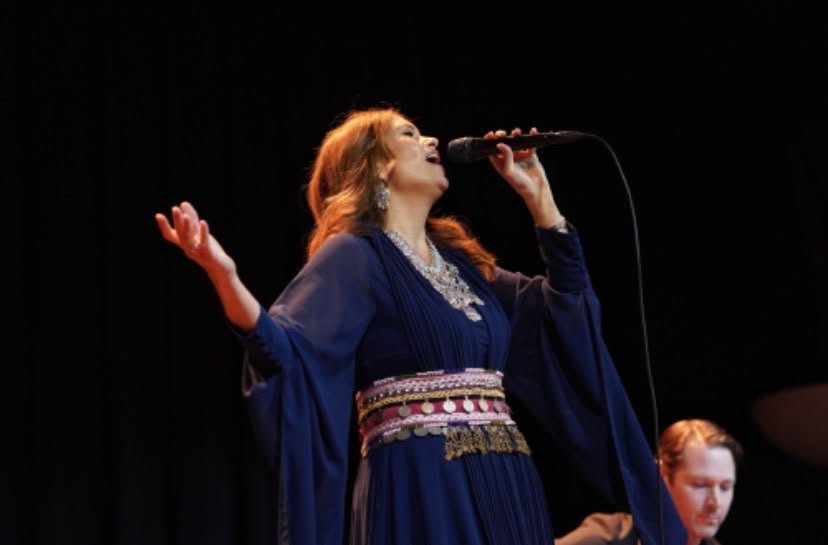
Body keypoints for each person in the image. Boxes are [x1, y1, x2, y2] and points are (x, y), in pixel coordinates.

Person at [155, 107, 685, 545]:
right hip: (421, 481)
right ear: (375, 168)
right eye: (408, 134)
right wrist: (225, 276)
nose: (431, 139)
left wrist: (539, 199)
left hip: (508, 476)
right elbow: (284, 349)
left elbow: (568, 314)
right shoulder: (354, 255)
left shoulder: (462, 264)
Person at [556, 419, 743, 545]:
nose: (715, 503)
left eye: (725, 487)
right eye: (700, 485)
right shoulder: (609, 537)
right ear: (661, 476)